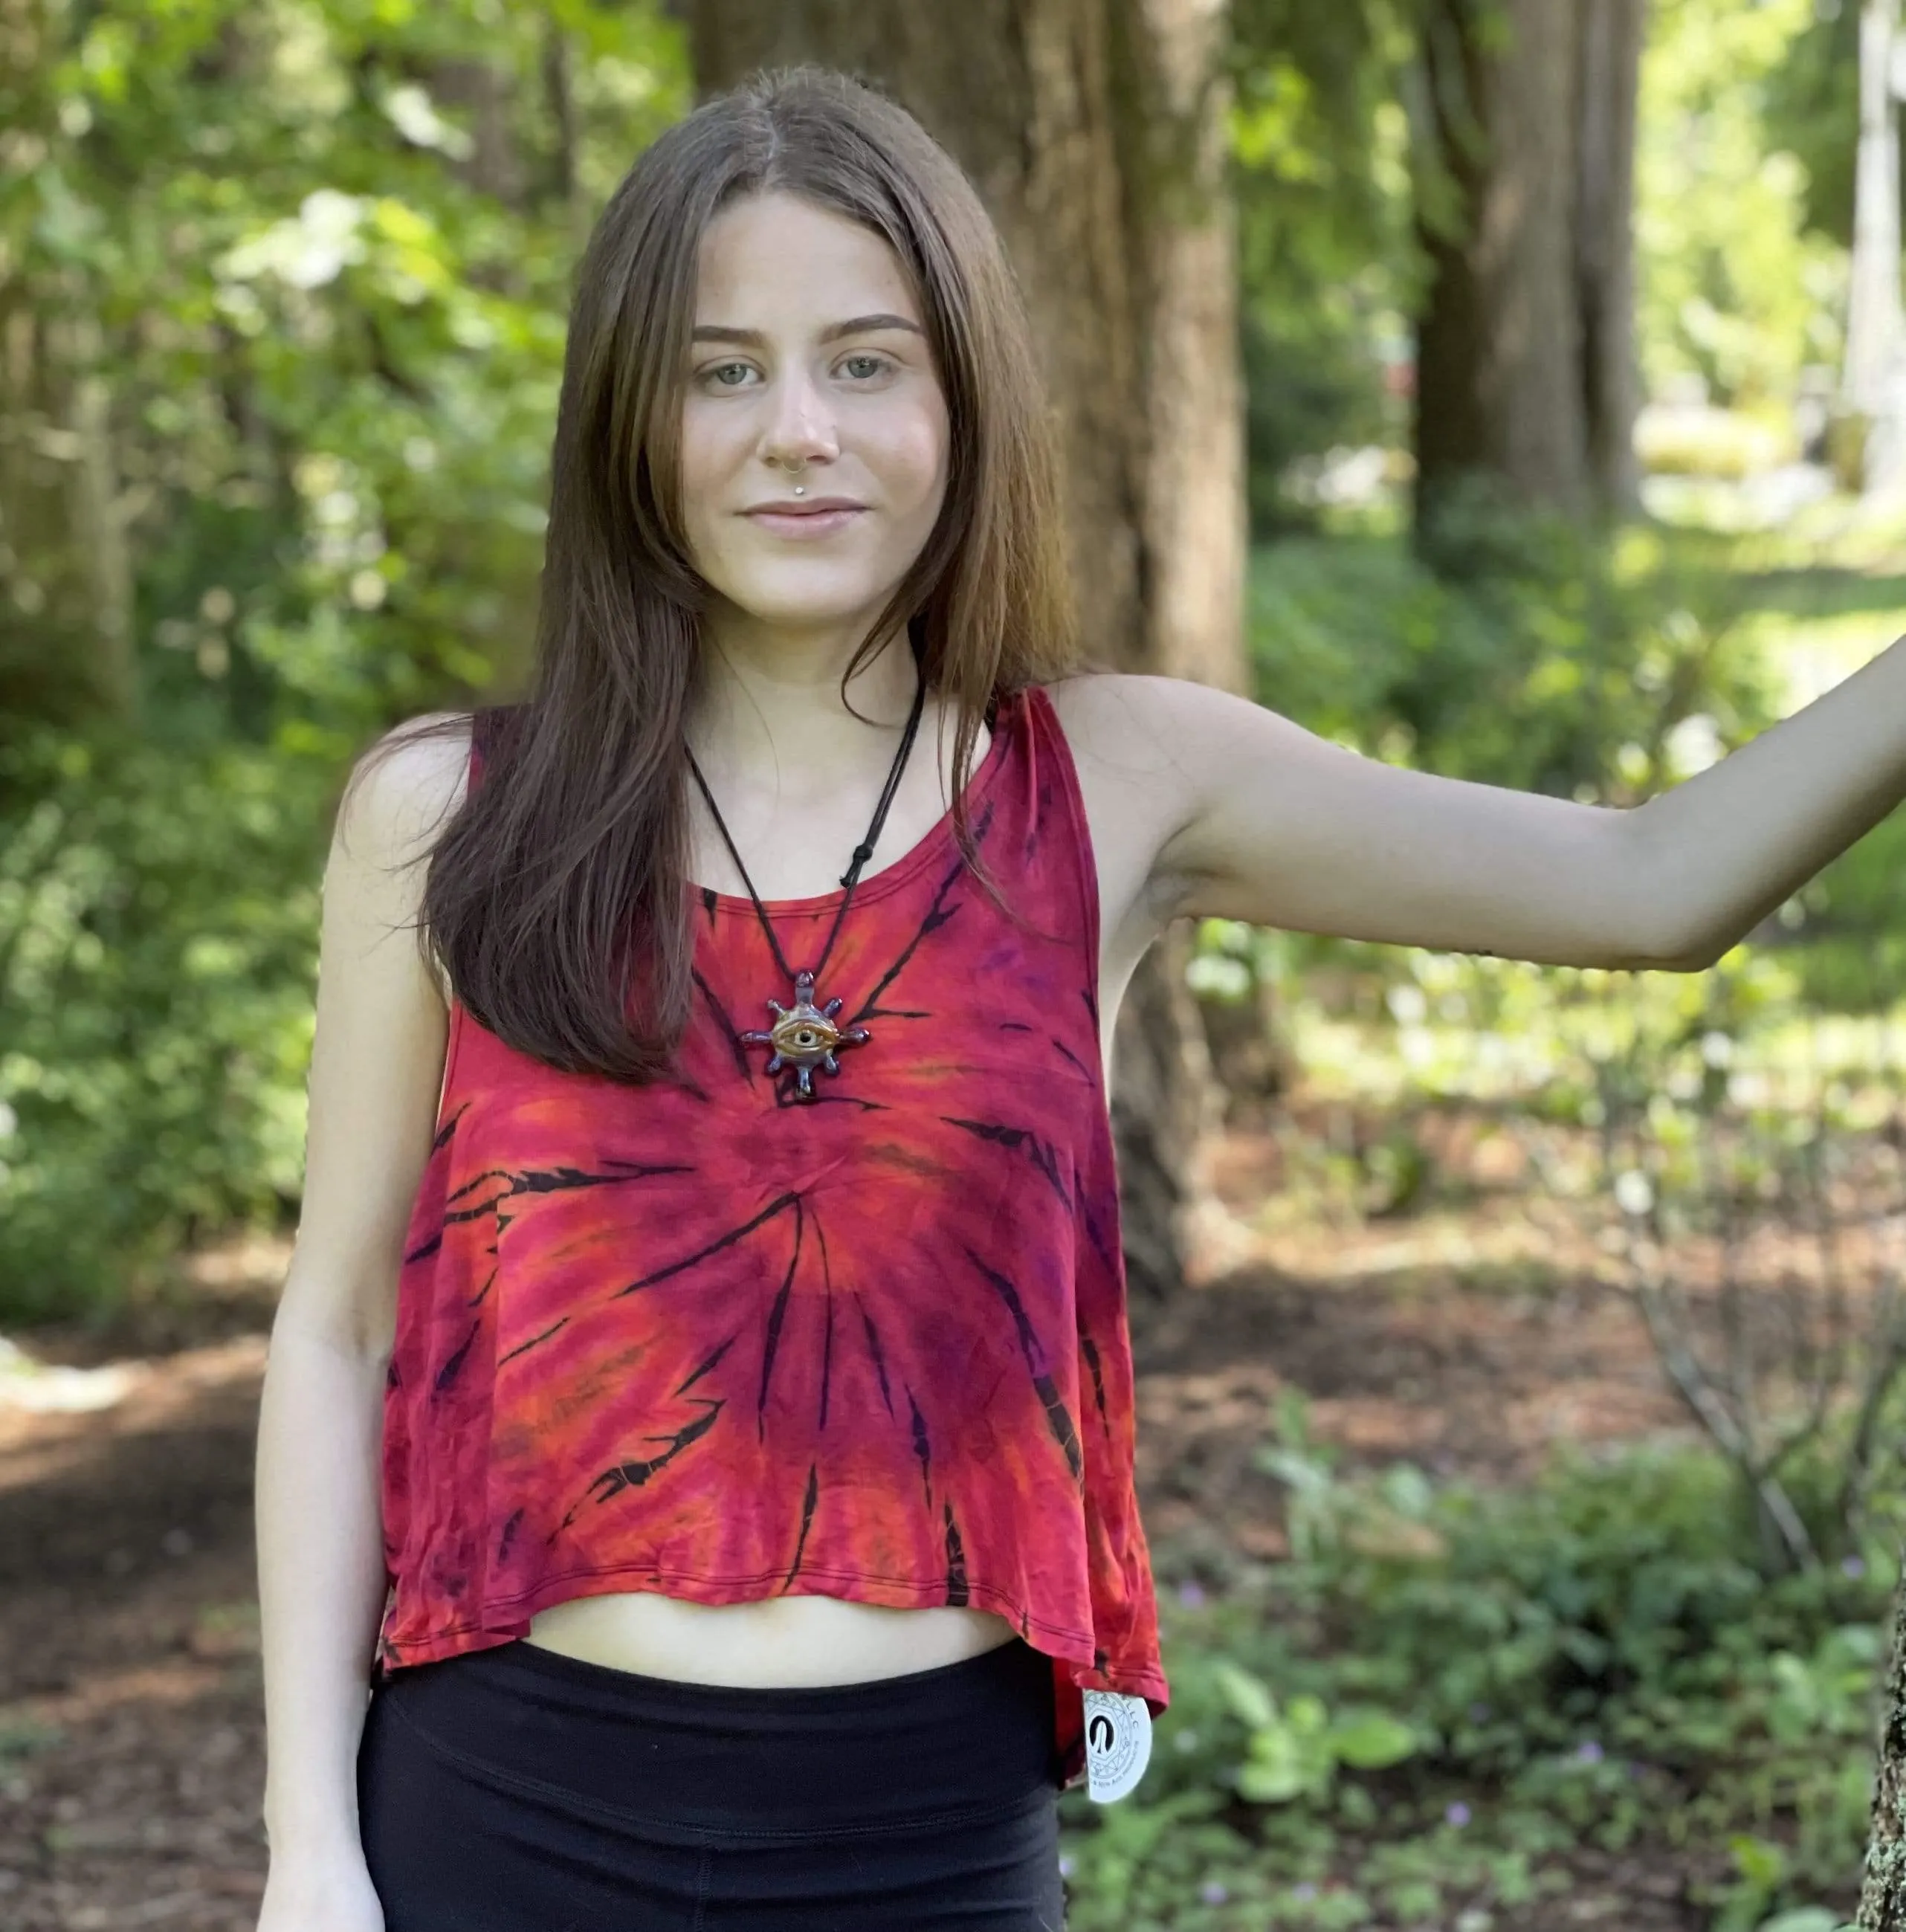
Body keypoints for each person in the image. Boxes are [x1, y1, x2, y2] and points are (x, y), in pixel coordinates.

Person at [253, 61, 1906, 1932]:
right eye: (724, 370)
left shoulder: (1117, 784)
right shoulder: (449, 819)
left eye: (866, 362)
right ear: (630, 419)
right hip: (500, 1814)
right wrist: (309, 1846)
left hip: (933, 1840)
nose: (797, 429)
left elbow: (1651, 885)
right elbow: (334, 1336)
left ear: (964, 399)